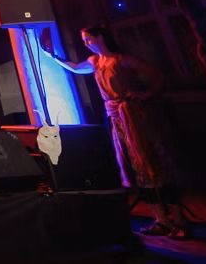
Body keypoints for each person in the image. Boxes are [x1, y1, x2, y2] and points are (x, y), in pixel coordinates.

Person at [47, 25, 188, 239]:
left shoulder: (123, 60)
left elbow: (156, 76)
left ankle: (178, 220)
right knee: (135, 165)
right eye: (84, 41)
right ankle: (161, 219)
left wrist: (144, 95)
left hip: (136, 118)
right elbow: (75, 68)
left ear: (100, 37)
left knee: (152, 162)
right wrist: (53, 56)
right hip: (117, 119)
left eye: (89, 39)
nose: (87, 44)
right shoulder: (96, 62)